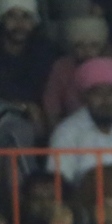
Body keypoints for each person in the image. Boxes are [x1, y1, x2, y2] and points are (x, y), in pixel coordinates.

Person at [49, 57, 112, 184]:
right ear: (85, 97)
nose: (106, 100)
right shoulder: (67, 130)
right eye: (98, 93)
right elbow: (60, 180)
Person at [42, 15, 112, 128]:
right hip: (75, 128)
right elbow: (52, 105)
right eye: (80, 45)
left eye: (93, 45)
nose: (87, 51)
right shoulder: (62, 67)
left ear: (103, 45)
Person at [0, 0, 58, 134]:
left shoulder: (46, 51)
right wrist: (24, 106)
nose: (19, 24)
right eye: (12, 16)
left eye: (26, 17)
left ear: (34, 21)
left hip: (36, 119)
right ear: (3, 19)